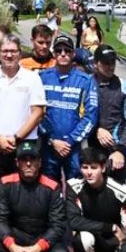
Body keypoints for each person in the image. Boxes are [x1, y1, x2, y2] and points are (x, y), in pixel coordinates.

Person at [0, 35, 47, 206]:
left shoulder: (32, 78)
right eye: (5, 51)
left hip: (24, 145)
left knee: (23, 194)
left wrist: (16, 138)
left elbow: (37, 113)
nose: (9, 55)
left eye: (13, 51)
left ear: (20, 53)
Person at [0, 139, 70, 252]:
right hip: (16, 237)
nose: (29, 163)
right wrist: (13, 247)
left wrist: (38, 248)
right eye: (24, 159)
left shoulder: (53, 186)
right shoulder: (5, 183)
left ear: (40, 163)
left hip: (41, 238)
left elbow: (58, 225)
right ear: (17, 163)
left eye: (33, 159)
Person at [39, 35, 98, 181]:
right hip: (48, 145)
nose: (63, 53)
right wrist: (52, 140)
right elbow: (35, 113)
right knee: (48, 190)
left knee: (76, 190)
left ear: (73, 54)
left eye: (67, 50)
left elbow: (91, 116)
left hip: (74, 147)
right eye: (59, 50)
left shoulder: (86, 80)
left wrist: (69, 141)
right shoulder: (41, 77)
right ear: (54, 54)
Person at [88, 46, 126, 176]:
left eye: (113, 62)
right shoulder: (85, 83)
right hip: (89, 148)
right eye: (106, 63)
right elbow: (78, 114)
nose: (110, 67)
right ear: (95, 63)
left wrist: (120, 150)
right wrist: (97, 129)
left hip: (115, 152)